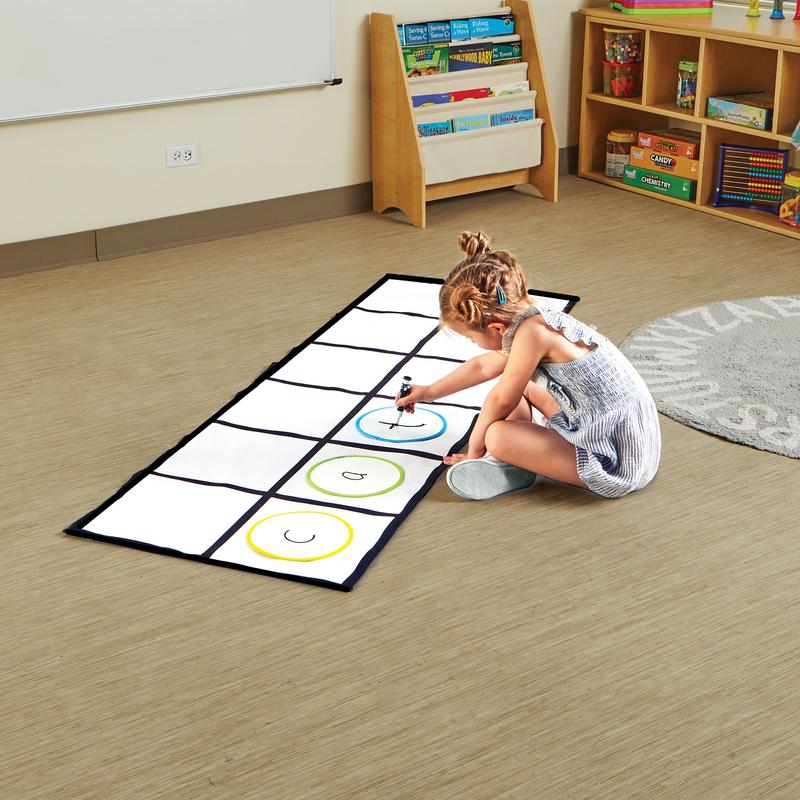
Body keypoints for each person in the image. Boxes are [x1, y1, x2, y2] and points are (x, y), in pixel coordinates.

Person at [395, 231, 661, 500]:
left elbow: (500, 400)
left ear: (496, 328)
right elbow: (481, 368)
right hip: (617, 429)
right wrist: (429, 392)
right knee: (522, 387)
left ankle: (509, 456)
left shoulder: (532, 333)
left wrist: (475, 452)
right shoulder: (530, 313)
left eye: (471, 337)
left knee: (495, 435)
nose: (473, 343)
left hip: (617, 460)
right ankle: (518, 457)